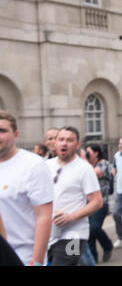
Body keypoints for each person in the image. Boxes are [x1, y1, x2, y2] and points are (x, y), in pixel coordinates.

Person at [0, 110, 53, 266]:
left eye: (2, 131)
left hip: (22, 256)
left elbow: (44, 216)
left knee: (73, 255)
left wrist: (36, 261)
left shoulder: (33, 165)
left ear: (16, 134)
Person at [46, 126, 103, 266]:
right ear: (55, 143)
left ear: (77, 144)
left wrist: (70, 217)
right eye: (61, 139)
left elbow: (97, 202)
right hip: (49, 234)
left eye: (69, 140)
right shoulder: (45, 165)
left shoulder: (84, 169)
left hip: (75, 235)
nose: (64, 143)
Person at [85, 144, 114, 263]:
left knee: (94, 229)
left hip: (101, 203)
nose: (87, 154)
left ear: (96, 153)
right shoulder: (86, 166)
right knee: (89, 232)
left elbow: (96, 173)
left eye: (89, 152)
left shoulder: (104, 164)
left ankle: (107, 245)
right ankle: (93, 258)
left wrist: (84, 160)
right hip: (86, 204)